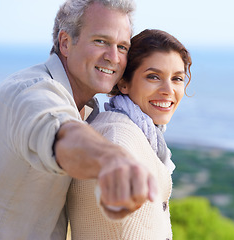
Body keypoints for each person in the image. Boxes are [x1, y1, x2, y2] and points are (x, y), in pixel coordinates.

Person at [0, 0, 158, 239]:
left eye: (122, 47)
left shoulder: (89, 110)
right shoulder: (31, 91)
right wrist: (110, 159)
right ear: (65, 43)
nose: (114, 57)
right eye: (100, 41)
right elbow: (58, 130)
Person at [67, 29, 192, 240]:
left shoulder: (136, 131)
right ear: (124, 83)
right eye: (154, 77)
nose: (168, 90)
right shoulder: (119, 140)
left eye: (177, 78)